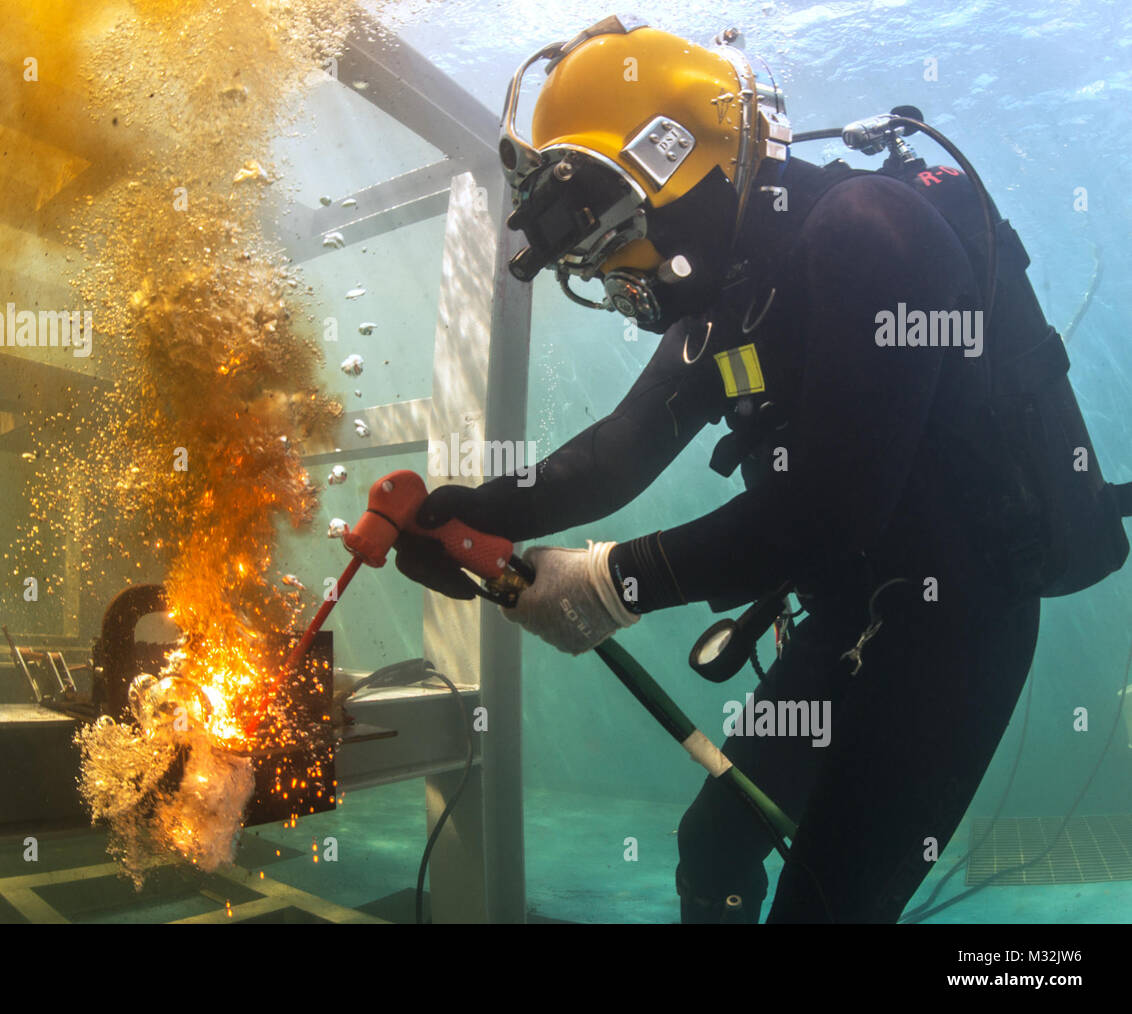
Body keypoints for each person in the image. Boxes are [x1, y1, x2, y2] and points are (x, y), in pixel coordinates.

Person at [395, 16, 1049, 923]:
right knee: (714, 841)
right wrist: (482, 510)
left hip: (958, 622)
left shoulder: (870, 233)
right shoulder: (735, 293)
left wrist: (611, 583)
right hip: (847, 615)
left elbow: (831, 508)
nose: (621, 283)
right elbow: (620, 449)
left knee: (830, 903)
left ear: (683, 163)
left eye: (617, 240)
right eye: (593, 261)